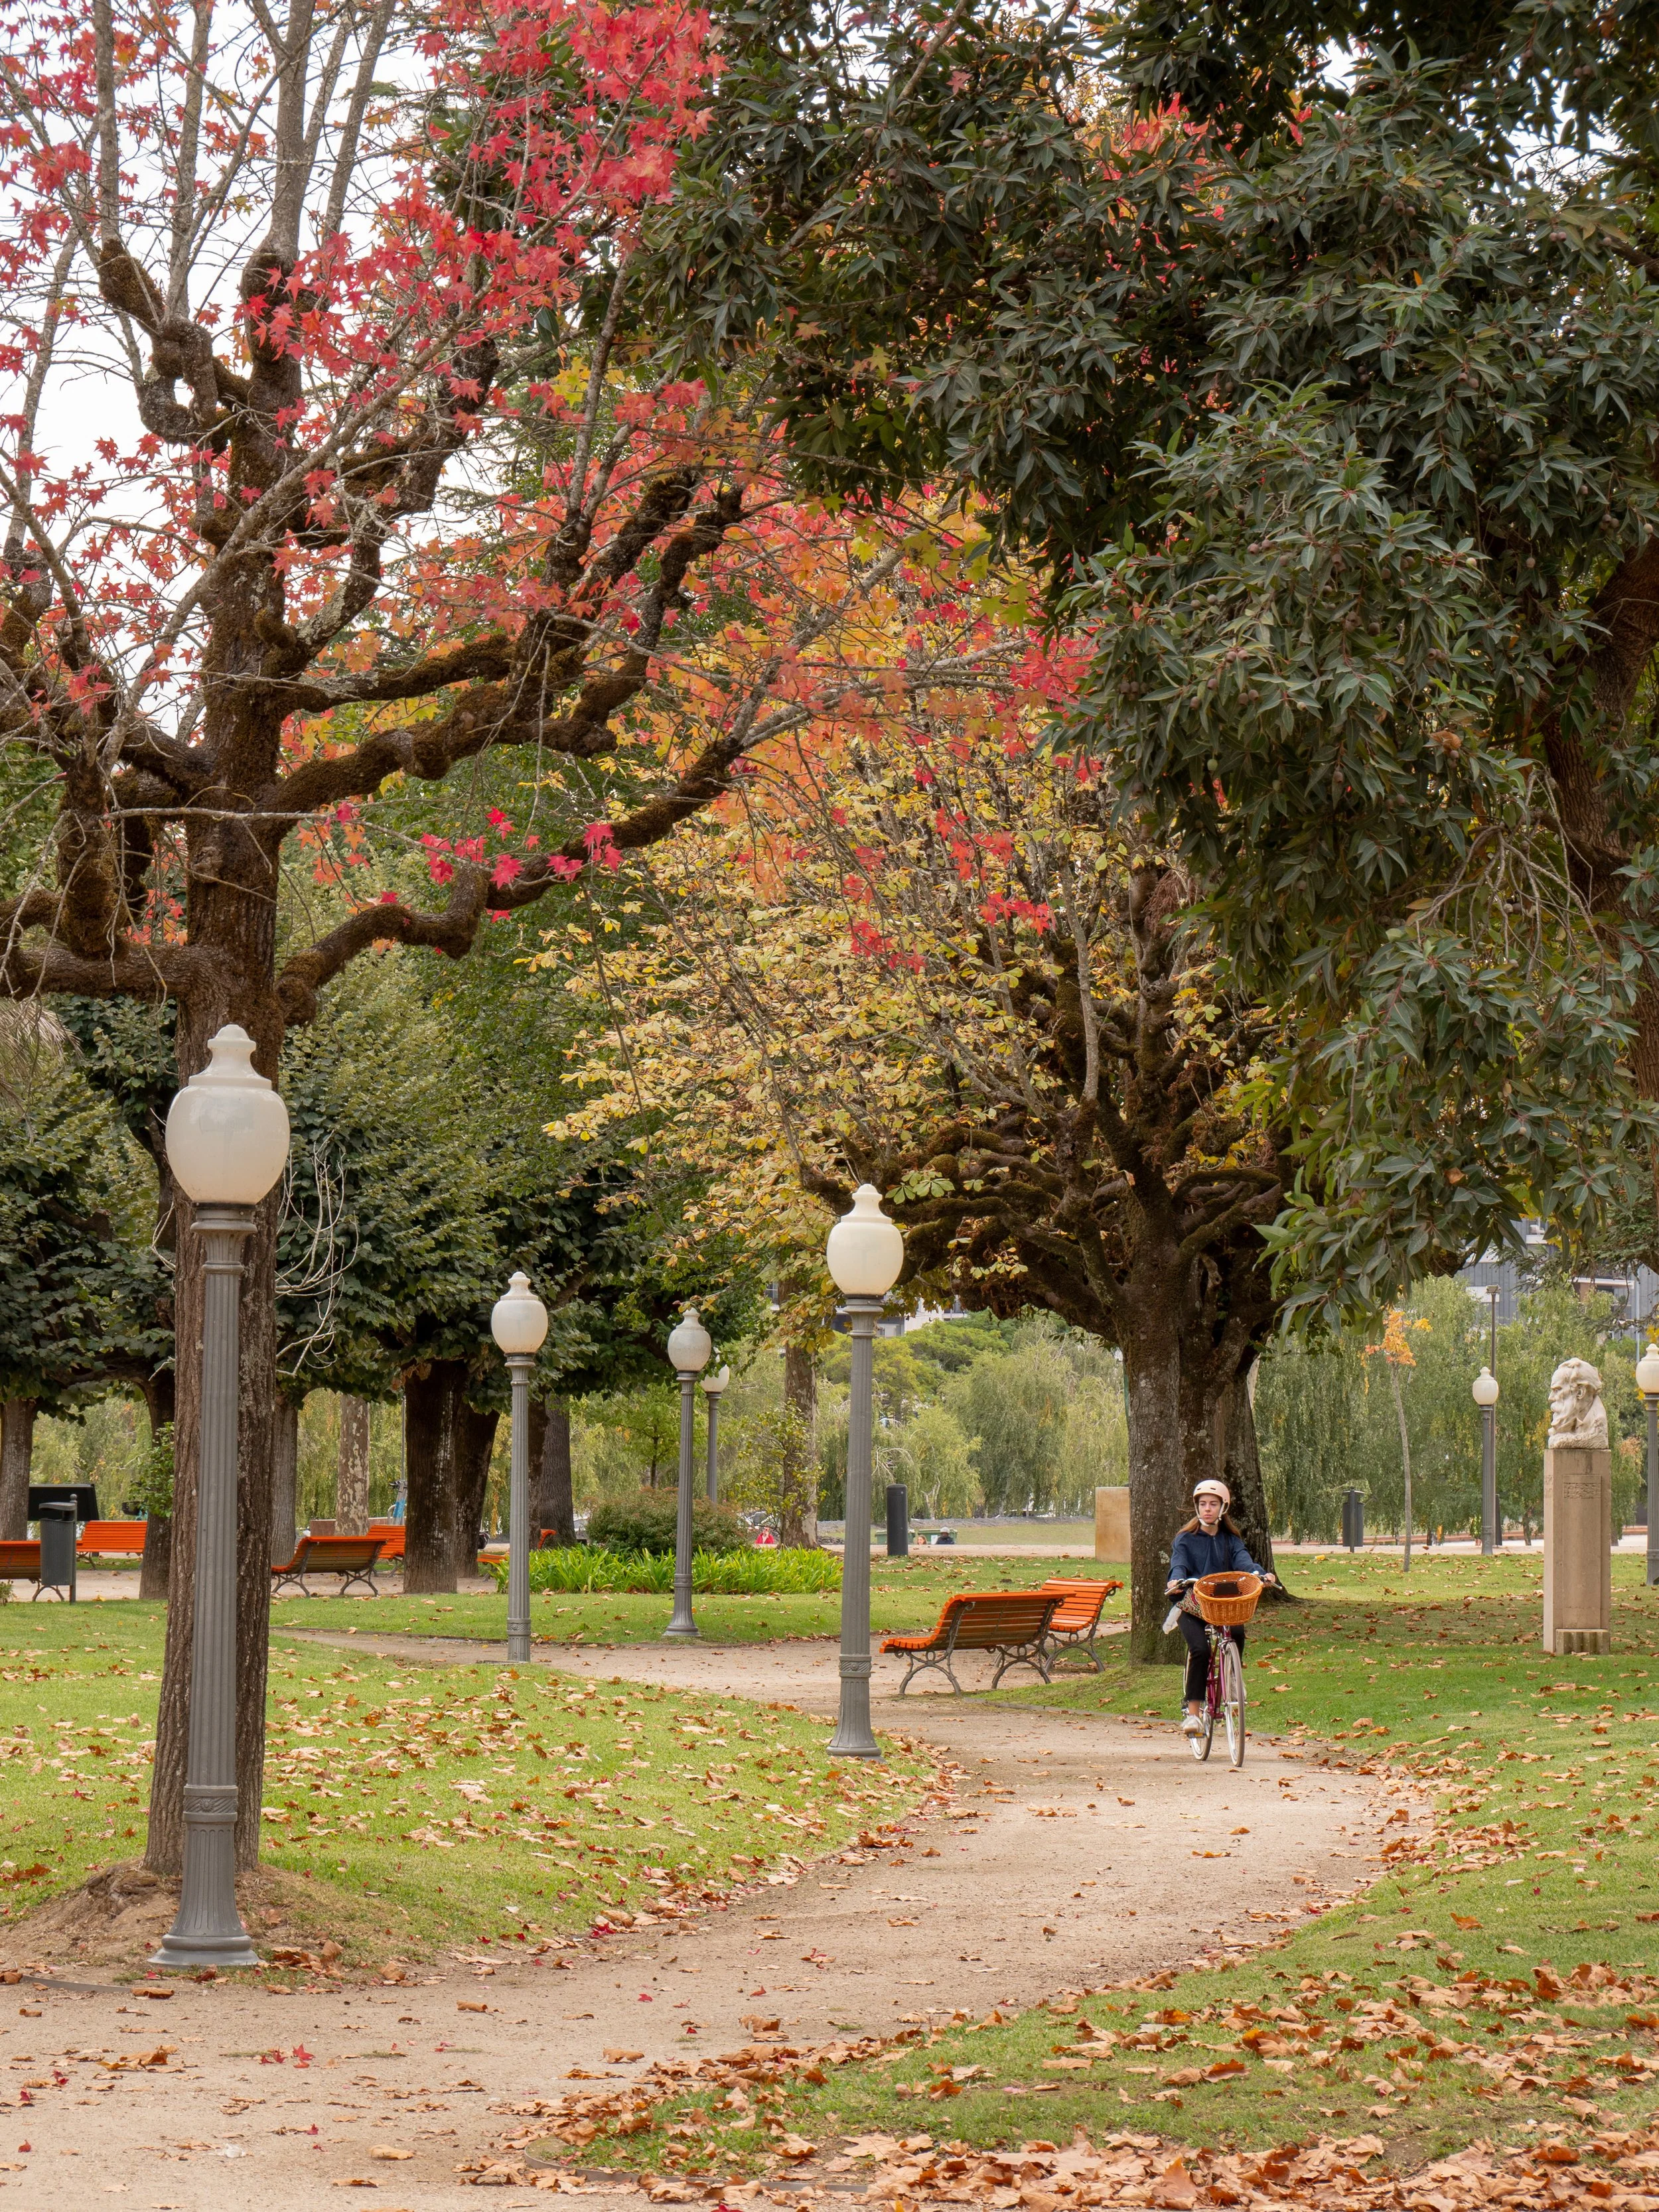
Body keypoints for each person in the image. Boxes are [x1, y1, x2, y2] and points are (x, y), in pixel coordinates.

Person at [1165, 1478, 1277, 1737]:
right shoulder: (1185, 1539)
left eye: (1213, 1504)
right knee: (1200, 1650)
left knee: (1236, 1633)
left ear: (1223, 1508)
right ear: (1196, 1507)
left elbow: (1245, 1562)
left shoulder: (1231, 1539)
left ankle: (1233, 1678)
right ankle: (1193, 1715)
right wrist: (1176, 1579)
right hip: (1192, 1605)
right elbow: (1179, 1563)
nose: (1207, 1509)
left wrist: (1260, 1574)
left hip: (1222, 1606)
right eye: (1202, 1504)